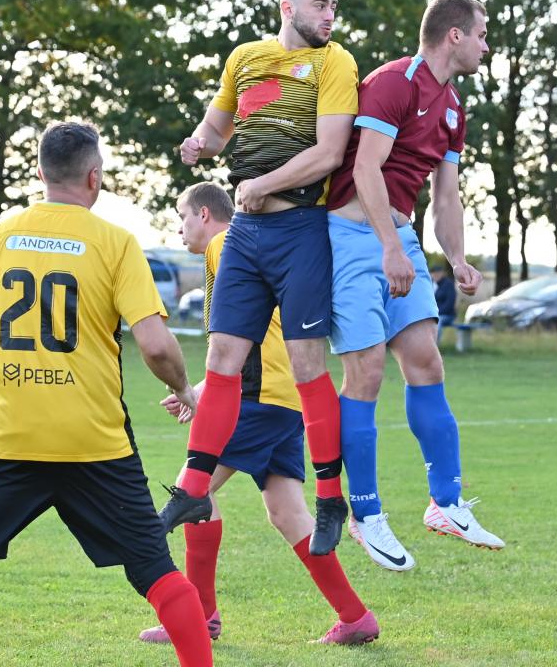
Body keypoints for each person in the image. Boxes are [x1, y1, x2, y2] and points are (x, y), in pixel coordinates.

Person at [0, 121, 212, 667]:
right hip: (93, 441)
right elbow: (155, 345)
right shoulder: (115, 242)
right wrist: (182, 387)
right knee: (156, 572)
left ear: (42, 173)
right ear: (94, 177)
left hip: (7, 437)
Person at [159, 0, 359, 557]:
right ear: (287, 7)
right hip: (248, 231)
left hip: (300, 230)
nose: (330, 15)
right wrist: (199, 144)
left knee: (307, 366)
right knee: (222, 359)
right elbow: (217, 130)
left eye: (333, 6)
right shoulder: (244, 58)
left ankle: (331, 499)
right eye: (320, 4)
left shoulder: (335, 63)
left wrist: (262, 183)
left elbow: (329, 152)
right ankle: (193, 489)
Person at [140, 182, 379, 647]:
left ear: (204, 215)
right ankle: (355, 617)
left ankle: (200, 617)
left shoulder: (225, 245)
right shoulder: (257, 242)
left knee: (195, 492)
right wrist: (203, 389)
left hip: (254, 397)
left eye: (182, 217)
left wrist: (207, 391)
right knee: (287, 513)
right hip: (285, 398)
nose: (179, 228)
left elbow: (236, 343)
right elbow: (258, 333)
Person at [325, 0, 504, 572]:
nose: (485, 45)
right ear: (454, 35)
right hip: (351, 236)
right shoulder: (394, 82)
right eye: (481, 34)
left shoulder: (453, 106)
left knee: (426, 361)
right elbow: (364, 168)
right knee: (367, 371)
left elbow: (445, 196)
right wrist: (387, 247)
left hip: (399, 236)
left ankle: (445, 505)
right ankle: (366, 514)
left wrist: (457, 257)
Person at [432, 262, 457, 346]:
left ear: (442, 273)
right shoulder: (431, 284)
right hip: (433, 314)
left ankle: (434, 346)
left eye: (438, 273)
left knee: (437, 321)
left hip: (447, 315)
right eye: (433, 273)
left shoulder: (448, 284)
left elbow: (450, 303)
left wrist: (436, 313)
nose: (435, 275)